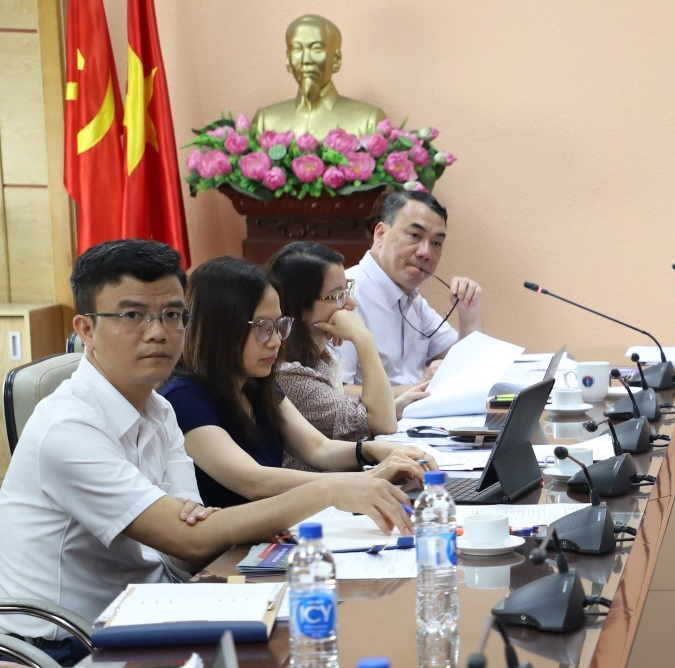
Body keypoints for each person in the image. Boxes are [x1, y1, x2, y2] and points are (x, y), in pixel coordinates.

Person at [0, 241, 412, 665]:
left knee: (324, 633)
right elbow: (191, 539)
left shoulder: (158, 410)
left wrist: (197, 528)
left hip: (149, 610)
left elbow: (189, 536)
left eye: (172, 315)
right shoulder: (68, 428)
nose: (158, 332)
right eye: (132, 315)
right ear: (86, 330)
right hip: (69, 645)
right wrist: (332, 490)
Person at [162, 257, 433, 509]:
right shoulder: (184, 398)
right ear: (221, 329)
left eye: (279, 326)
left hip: (271, 529)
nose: (276, 341)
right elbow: (255, 482)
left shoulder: (256, 383)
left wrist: (376, 450)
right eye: (263, 328)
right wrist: (369, 477)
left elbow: (318, 449)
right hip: (229, 540)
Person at [270, 242, 430, 460]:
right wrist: (363, 338)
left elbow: (372, 418)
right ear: (300, 308)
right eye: (337, 296)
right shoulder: (291, 376)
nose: (351, 304)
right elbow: (382, 424)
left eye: (347, 290)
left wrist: (392, 408)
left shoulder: (320, 358)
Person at [339, 189, 483, 391]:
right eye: (415, 235)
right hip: (383, 413)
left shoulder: (413, 299)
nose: (426, 252)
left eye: (436, 243)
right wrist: (420, 388)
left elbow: (471, 365)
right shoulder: (345, 295)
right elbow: (338, 392)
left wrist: (469, 312)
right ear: (380, 234)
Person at [250, 14, 386, 137]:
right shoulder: (265, 121)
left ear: (336, 59)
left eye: (317, 48)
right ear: (288, 59)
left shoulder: (369, 120)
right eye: (297, 49)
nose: (306, 60)